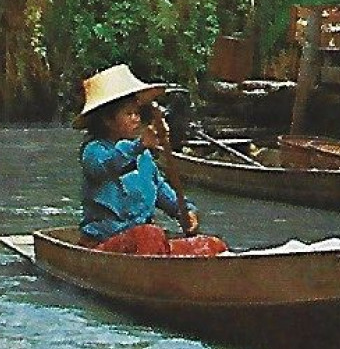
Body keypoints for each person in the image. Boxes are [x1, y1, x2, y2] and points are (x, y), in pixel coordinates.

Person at [74, 64, 228, 256]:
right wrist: (139, 145)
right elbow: (107, 166)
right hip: (106, 243)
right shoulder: (94, 151)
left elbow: (162, 192)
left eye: (136, 113)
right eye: (128, 114)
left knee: (212, 245)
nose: (136, 119)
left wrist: (185, 211)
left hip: (142, 247)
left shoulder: (144, 157)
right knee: (149, 234)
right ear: (108, 120)